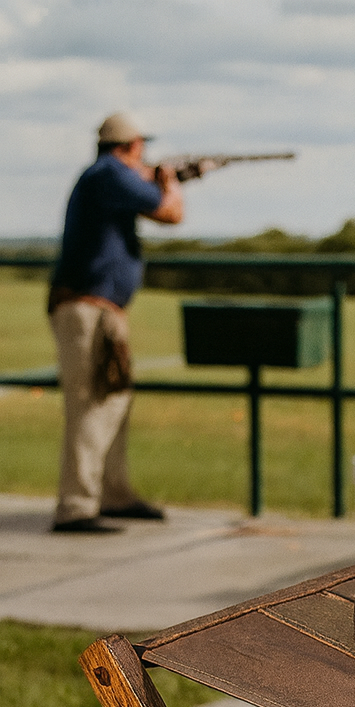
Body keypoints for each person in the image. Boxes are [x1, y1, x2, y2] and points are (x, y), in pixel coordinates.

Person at [48, 112, 184, 533]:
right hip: (89, 309)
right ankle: (77, 506)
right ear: (130, 145)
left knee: (112, 401)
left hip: (101, 309)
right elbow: (170, 213)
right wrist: (170, 182)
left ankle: (114, 495)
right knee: (92, 405)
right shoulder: (109, 173)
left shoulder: (104, 175)